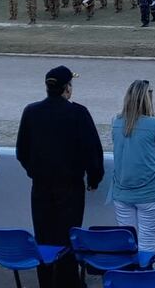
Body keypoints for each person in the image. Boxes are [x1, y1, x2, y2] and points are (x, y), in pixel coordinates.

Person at [16, 66, 104, 288]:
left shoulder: (31, 111)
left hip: (41, 186)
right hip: (70, 187)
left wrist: (34, 171)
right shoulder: (78, 113)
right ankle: (68, 282)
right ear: (67, 88)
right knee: (67, 238)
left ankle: (46, 282)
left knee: (44, 237)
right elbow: (92, 150)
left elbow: (22, 151)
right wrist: (94, 178)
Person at [111, 80, 155, 252]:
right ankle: (143, 275)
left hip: (122, 191)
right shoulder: (154, 124)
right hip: (149, 192)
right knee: (147, 241)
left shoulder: (116, 122)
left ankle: (128, 276)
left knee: (128, 241)